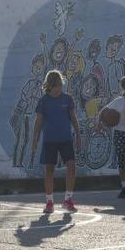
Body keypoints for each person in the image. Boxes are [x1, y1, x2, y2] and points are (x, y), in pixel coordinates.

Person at [31, 70, 81, 214]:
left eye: (60, 85)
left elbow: (73, 118)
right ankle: (49, 202)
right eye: (55, 86)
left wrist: (78, 135)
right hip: (49, 141)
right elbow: (38, 121)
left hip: (66, 139)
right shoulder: (44, 101)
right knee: (49, 171)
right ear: (49, 86)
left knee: (71, 166)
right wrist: (34, 140)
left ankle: (68, 199)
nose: (58, 89)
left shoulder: (67, 99)